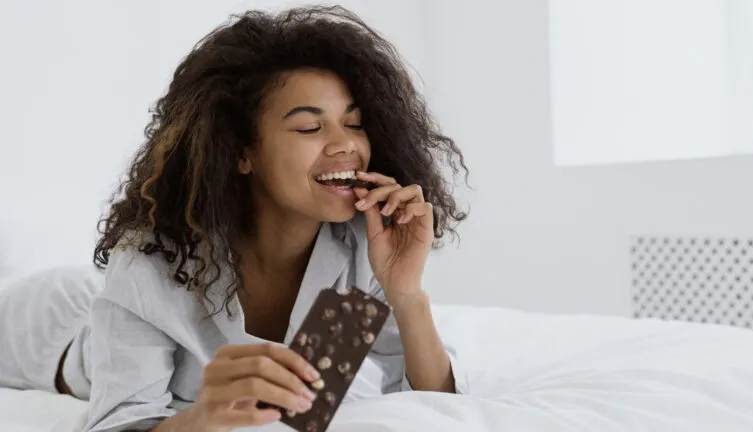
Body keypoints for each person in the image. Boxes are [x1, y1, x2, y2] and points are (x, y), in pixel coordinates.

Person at [0, 5, 470, 432]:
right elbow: (122, 421)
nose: (344, 143)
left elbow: (431, 404)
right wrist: (202, 417)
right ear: (242, 153)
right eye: (310, 126)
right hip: (48, 329)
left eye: (354, 122)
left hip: (105, 295)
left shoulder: (357, 247)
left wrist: (406, 294)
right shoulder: (152, 260)